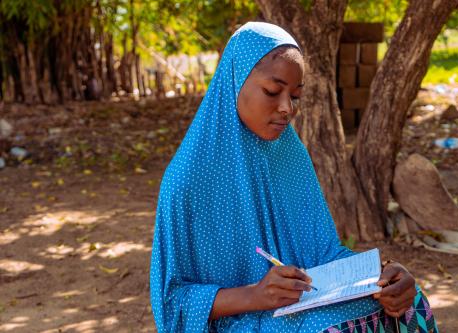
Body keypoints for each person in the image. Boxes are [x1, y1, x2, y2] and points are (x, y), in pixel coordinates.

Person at [150, 22, 438, 333]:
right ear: (235, 80)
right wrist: (254, 296)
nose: (287, 108)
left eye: (296, 95)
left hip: (303, 304)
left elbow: (323, 253)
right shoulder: (187, 180)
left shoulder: (290, 155)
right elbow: (171, 302)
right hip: (236, 318)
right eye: (273, 91)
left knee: (410, 305)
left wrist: (382, 280)